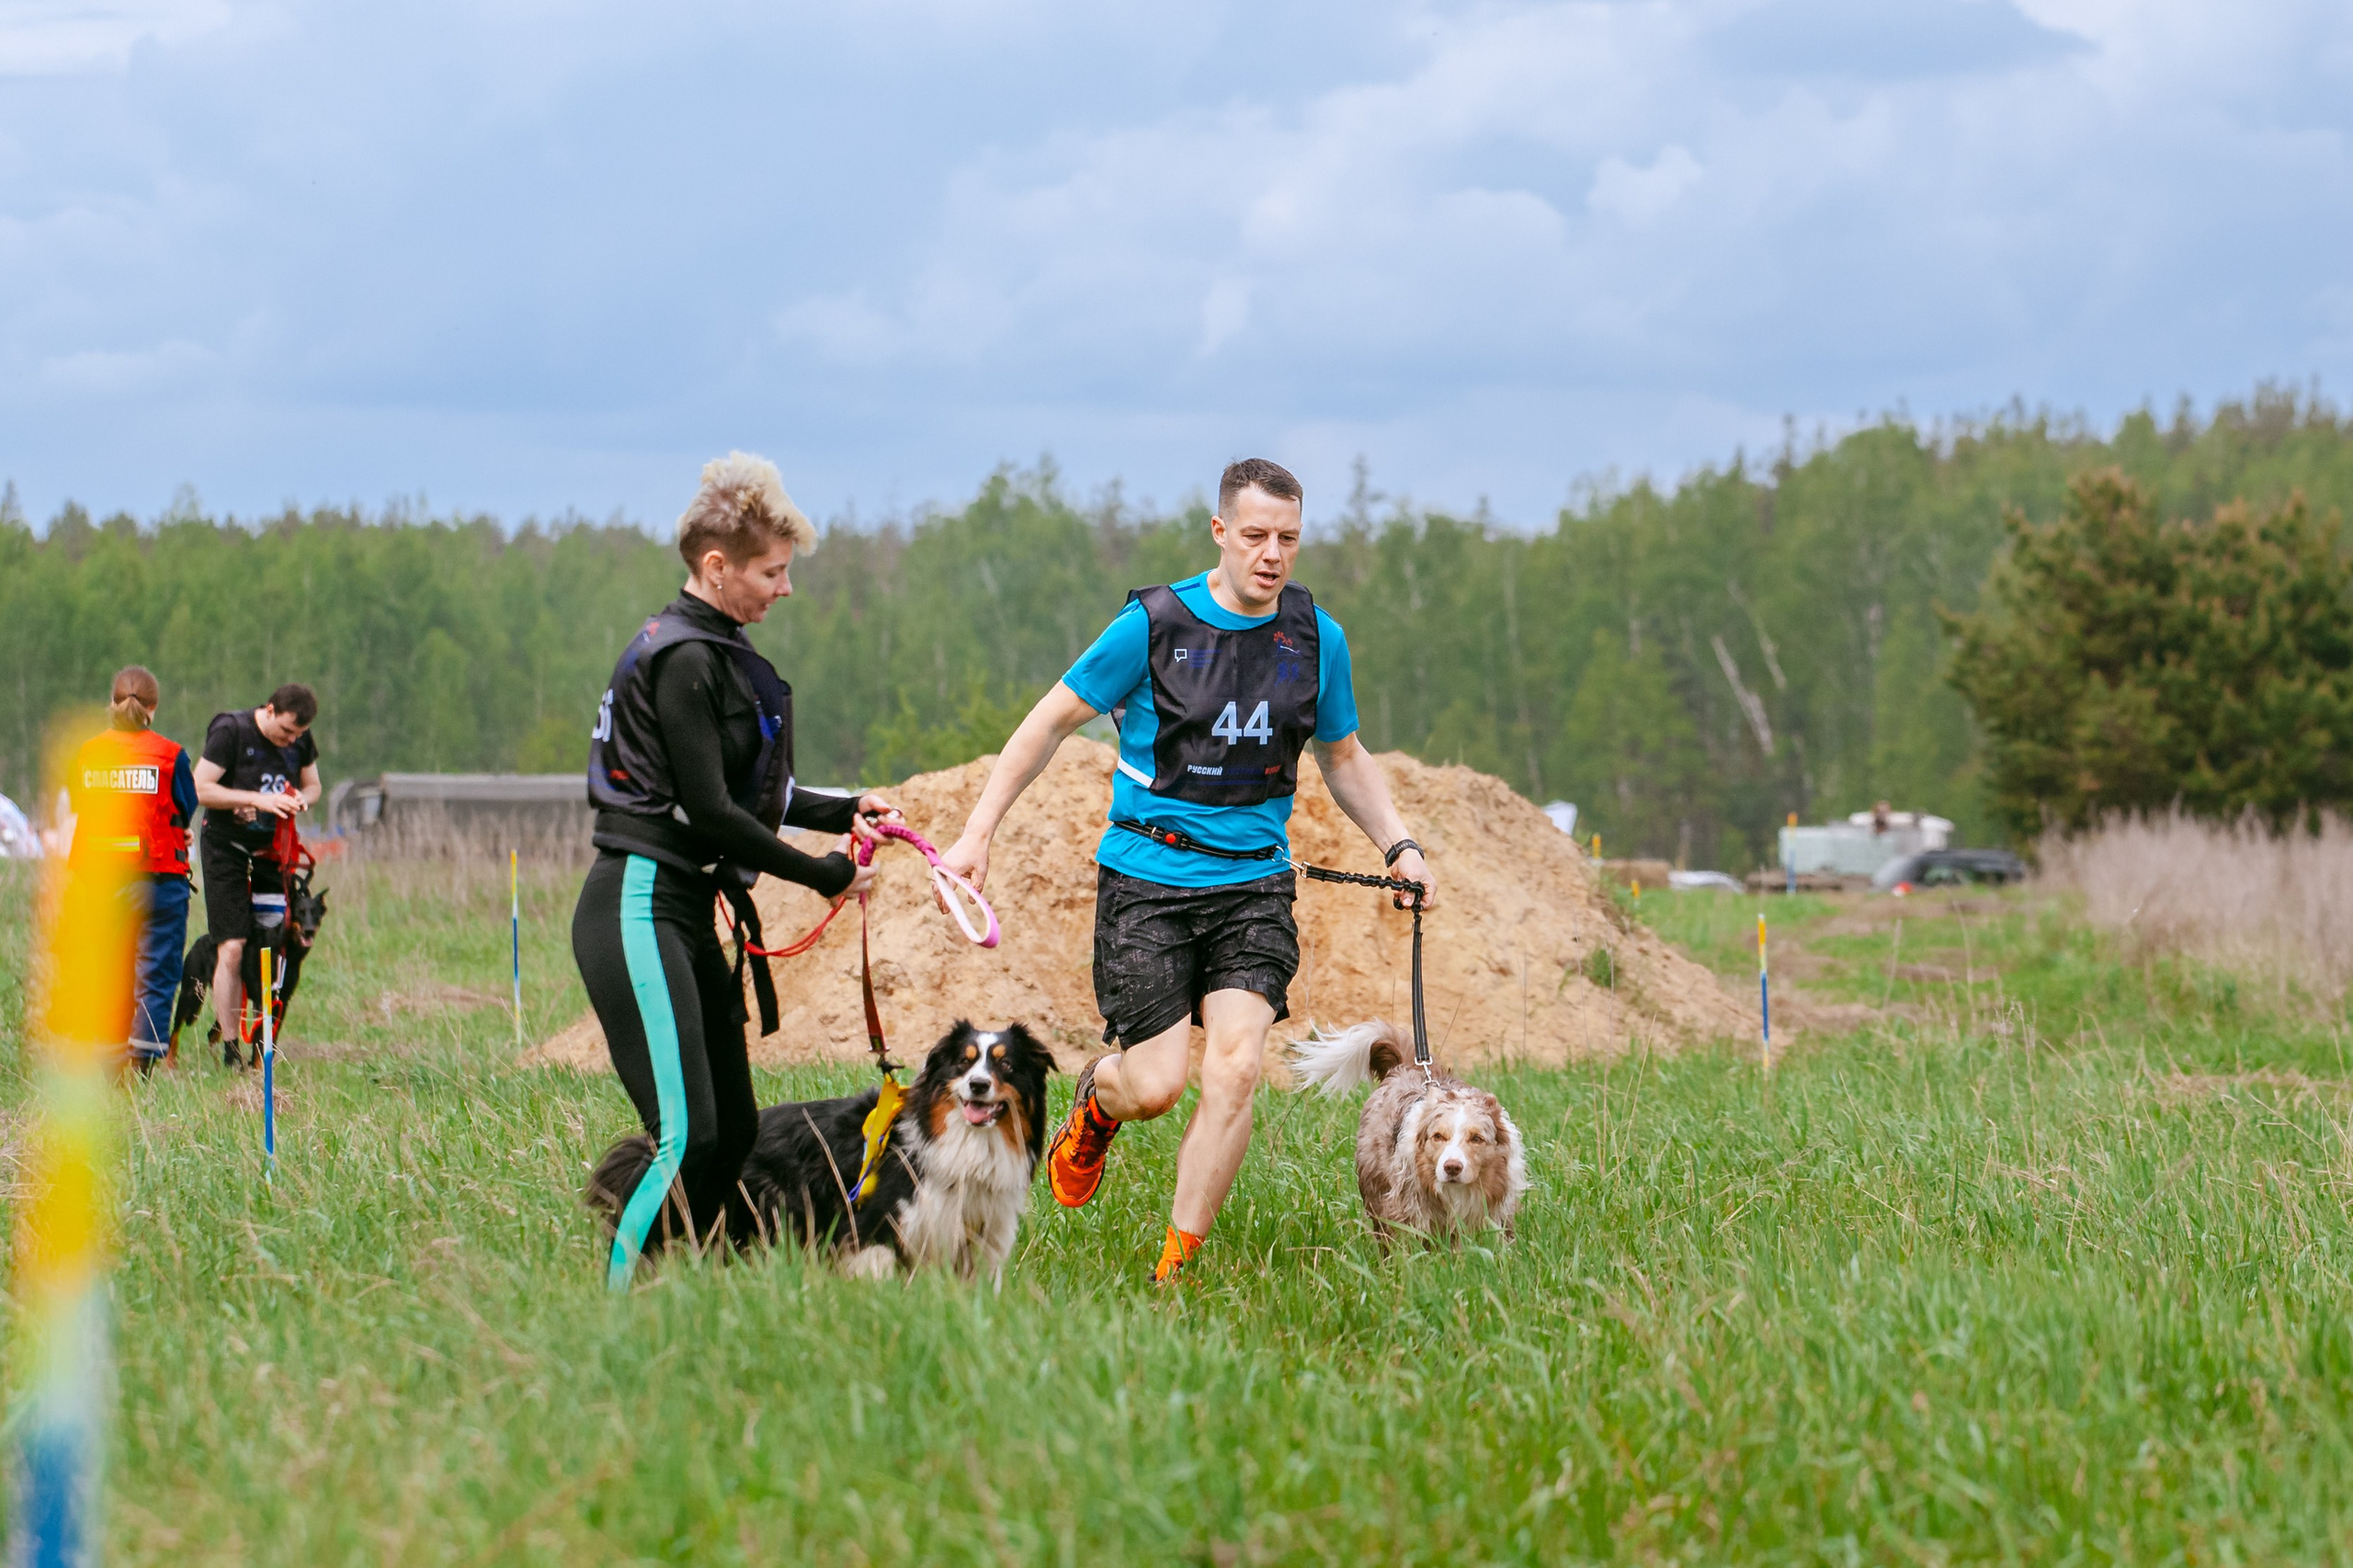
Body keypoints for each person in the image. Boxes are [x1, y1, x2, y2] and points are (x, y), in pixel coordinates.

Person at [938, 458, 1435, 1283]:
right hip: (1147, 883)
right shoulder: (1154, 624)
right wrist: (977, 833)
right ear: (1220, 533)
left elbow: (1343, 755)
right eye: (1255, 536)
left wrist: (1400, 843)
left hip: (1254, 886)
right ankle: (1100, 1101)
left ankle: (1176, 1265)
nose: (1272, 554)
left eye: (1288, 539)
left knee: (1236, 1066)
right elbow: (1048, 722)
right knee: (1159, 1084)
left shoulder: (1316, 638)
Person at [576, 451, 900, 1290]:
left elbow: (751, 788)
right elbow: (713, 812)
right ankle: (609, 1308)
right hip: (638, 904)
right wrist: (824, 873)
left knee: (734, 1131)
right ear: (716, 568)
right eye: (773, 572)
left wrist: (847, 809)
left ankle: (686, 1292)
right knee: (685, 1135)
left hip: (684, 907)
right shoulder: (683, 658)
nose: (784, 589)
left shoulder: (714, 649)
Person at [67, 666, 199, 1073]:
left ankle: (108, 1067)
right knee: (156, 975)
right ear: (153, 707)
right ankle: (140, 1071)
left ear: (113, 701)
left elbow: (78, 805)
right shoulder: (170, 754)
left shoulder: (88, 752)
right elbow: (186, 806)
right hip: (159, 881)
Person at [193, 682, 323, 1051]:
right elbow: (199, 787)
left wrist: (300, 800)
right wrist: (255, 800)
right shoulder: (231, 731)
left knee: (271, 944)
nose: (289, 741)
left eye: (296, 736)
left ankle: (262, 1043)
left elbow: (313, 785)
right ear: (269, 710)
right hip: (225, 848)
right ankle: (231, 1046)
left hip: (272, 854)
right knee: (232, 946)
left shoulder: (300, 739)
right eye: (285, 732)